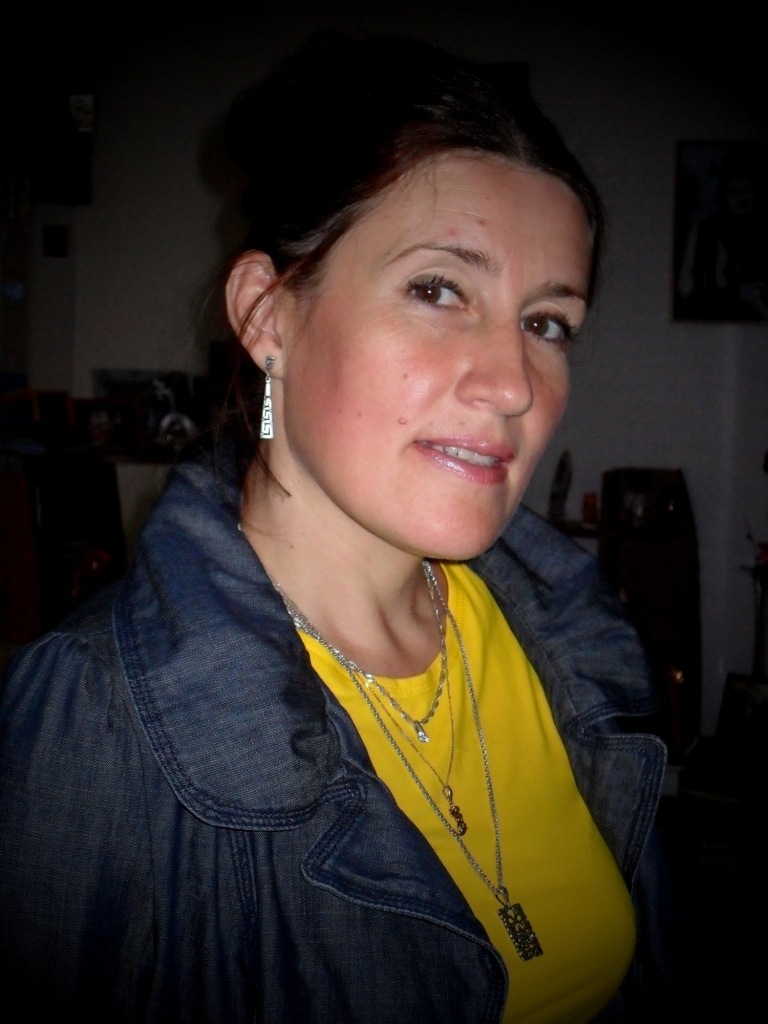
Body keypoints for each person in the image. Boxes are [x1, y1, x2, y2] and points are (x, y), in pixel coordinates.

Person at [0, 32, 676, 1023]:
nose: (513, 385)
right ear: (267, 315)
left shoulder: (575, 643)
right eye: (438, 290)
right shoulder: (93, 719)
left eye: (546, 323)